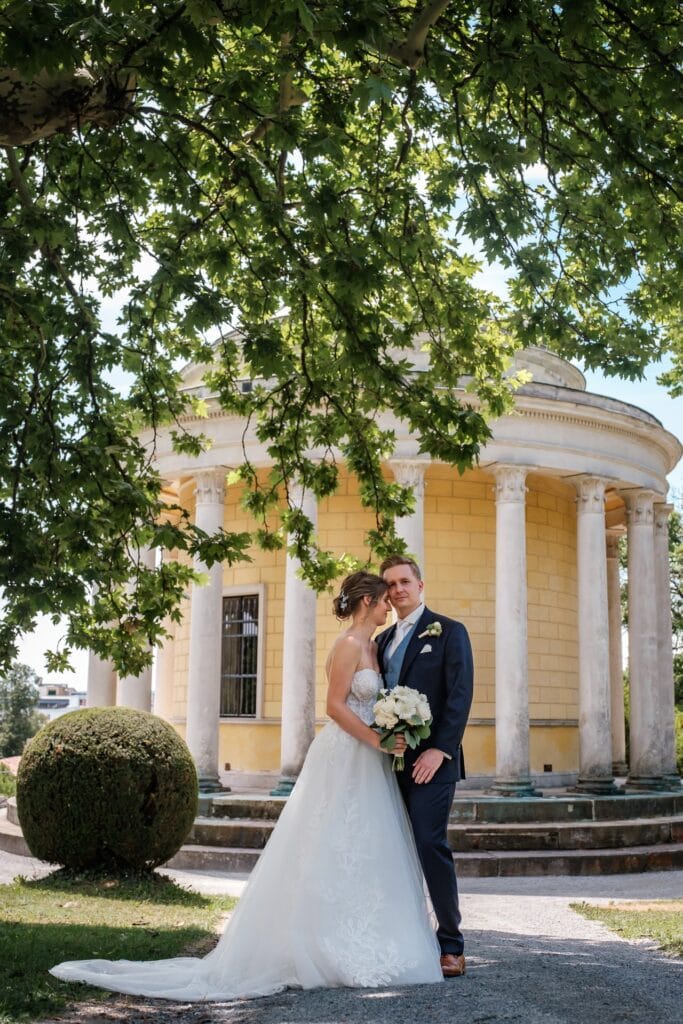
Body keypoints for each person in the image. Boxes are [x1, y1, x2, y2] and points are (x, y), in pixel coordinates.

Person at [50, 571, 443, 1000]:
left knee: (361, 844)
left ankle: (361, 935)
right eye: (385, 598)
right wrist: (377, 739)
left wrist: (388, 733)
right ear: (367, 601)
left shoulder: (373, 645)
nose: (390, 605)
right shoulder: (349, 644)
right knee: (331, 839)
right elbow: (333, 706)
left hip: (368, 758)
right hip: (348, 752)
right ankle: (321, 944)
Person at [378, 555, 473, 978]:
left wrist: (441, 750)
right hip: (388, 763)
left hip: (434, 763)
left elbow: (459, 695)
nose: (397, 589)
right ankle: (400, 939)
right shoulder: (380, 642)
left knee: (430, 844)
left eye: (404, 581)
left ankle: (451, 945)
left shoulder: (449, 631)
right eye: (390, 584)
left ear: (420, 584)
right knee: (391, 850)